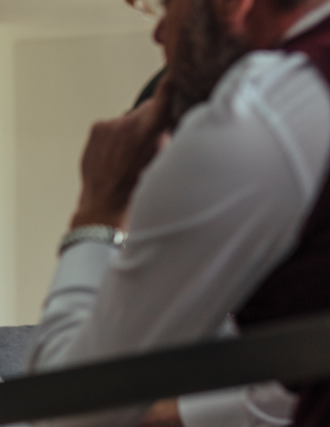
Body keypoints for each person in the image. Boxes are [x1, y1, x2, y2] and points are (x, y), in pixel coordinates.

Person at [28, 0, 330, 425]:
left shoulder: (258, 117)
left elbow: (71, 412)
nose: (159, 32)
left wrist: (98, 212)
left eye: (168, 6)